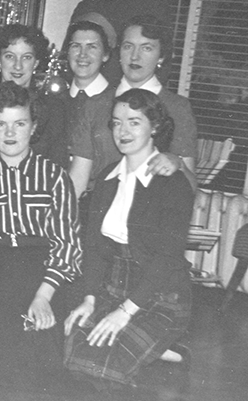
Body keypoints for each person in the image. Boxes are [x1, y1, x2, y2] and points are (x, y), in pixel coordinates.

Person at [64, 89, 193, 387]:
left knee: (106, 368)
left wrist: (123, 314)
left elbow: (167, 259)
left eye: (134, 122)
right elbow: (95, 248)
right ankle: (158, 350)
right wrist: (89, 299)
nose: (123, 131)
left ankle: (158, 344)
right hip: (114, 287)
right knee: (74, 349)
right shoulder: (108, 178)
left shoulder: (173, 184)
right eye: (117, 122)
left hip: (161, 296)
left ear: (155, 127)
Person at [0, 82, 81, 389]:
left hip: (43, 272)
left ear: (34, 127)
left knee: (40, 359)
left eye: (19, 123)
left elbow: (67, 244)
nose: (10, 133)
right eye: (1, 124)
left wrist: (44, 296)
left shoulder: (54, 176)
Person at [68, 15, 198, 199]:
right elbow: (78, 179)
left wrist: (179, 164)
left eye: (146, 48)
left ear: (161, 56)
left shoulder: (177, 108)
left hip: (150, 214)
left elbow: (190, 188)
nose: (135, 56)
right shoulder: (95, 105)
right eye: (128, 46)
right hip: (97, 208)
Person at [0, 24, 69, 167]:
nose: (18, 66)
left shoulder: (53, 110)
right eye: (10, 56)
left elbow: (58, 166)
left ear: (36, 63)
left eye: (26, 57)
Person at [61, 20, 115, 159]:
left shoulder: (117, 101)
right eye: (76, 46)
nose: (82, 54)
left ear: (105, 55)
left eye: (92, 47)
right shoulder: (55, 101)